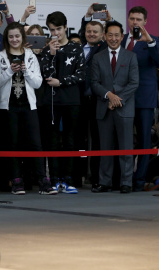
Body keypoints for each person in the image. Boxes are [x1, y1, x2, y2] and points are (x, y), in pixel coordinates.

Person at [0, 22, 56, 195]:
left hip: (29, 106)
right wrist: (9, 71)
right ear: (7, 38)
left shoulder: (30, 56)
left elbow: (37, 82)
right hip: (8, 107)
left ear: (22, 38)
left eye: (17, 36)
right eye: (11, 36)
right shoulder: (1, 57)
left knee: (35, 143)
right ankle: (17, 181)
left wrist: (26, 71)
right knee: (11, 144)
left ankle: (43, 180)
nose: (14, 39)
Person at [90, 21, 139, 194]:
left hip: (124, 108)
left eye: (117, 35)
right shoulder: (98, 57)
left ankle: (126, 182)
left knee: (126, 148)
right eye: (110, 35)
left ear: (122, 36)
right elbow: (94, 83)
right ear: (105, 35)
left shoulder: (130, 56)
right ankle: (105, 182)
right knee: (105, 149)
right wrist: (108, 95)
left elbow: (134, 83)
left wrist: (118, 99)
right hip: (104, 108)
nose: (113, 38)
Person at [40, 11, 85, 194]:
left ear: (66, 27)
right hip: (51, 101)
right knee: (51, 141)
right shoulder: (46, 50)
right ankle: (54, 178)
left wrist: (62, 82)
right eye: (52, 30)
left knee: (70, 140)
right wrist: (51, 53)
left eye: (58, 29)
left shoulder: (76, 48)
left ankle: (68, 179)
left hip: (72, 99)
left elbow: (81, 75)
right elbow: (45, 75)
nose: (56, 33)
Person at [121, 6, 159, 191]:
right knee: (124, 139)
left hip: (144, 98)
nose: (135, 22)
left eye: (138, 19)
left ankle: (139, 180)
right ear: (128, 20)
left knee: (144, 140)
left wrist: (150, 42)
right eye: (132, 18)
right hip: (122, 98)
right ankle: (124, 179)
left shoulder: (153, 41)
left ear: (145, 22)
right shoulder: (119, 40)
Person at [77, 16, 109, 189]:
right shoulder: (78, 48)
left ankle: (96, 176)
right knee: (79, 140)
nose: (91, 34)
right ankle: (78, 176)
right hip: (80, 100)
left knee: (97, 140)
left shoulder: (104, 48)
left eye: (95, 31)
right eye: (88, 31)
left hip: (98, 100)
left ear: (102, 34)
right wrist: (87, 17)